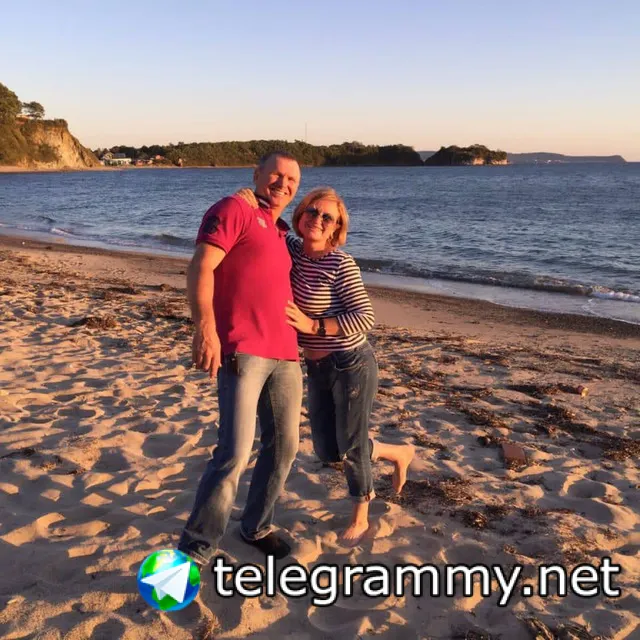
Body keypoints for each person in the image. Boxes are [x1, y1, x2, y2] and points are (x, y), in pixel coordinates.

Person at [237, 186, 414, 545]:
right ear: (300, 214)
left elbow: (365, 317)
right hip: (316, 367)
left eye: (327, 217)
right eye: (312, 211)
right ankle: (397, 451)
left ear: (336, 228)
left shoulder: (340, 264)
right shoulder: (292, 249)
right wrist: (250, 200)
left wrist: (313, 325)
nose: (317, 219)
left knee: (351, 445)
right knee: (327, 450)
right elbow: (267, 224)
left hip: (350, 362)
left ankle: (361, 515)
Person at [178, 151, 303, 565]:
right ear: (256, 174)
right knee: (234, 452)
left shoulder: (282, 231)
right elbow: (201, 267)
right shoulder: (234, 209)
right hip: (243, 349)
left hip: (286, 354)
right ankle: (196, 548)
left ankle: (256, 526)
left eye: (292, 180)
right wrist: (205, 328)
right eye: (276, 175)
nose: (283, 184)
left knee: (284, 448)